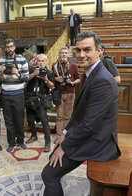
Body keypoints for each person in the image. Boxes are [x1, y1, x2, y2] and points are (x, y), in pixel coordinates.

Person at [41, 31, 121, 196]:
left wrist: (65, 146)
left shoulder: (103, 81)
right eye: (78, 50)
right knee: (52, 159)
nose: (81, 55)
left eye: (87, 50)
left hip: (97, 141)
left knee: (48, 175)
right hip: (88, 133)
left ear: (100, 51)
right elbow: (78, 113)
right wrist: (64, 133)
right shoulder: (91, 73)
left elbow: (89, 125)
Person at [0, 38, 29, 152]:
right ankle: (11, 142)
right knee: (8, 121)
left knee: (19, 120)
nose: (9, 49)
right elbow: (0, 79)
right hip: (6, 94)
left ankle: (20, 141)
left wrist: (17, 73)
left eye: (11, 46)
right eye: (7, 47)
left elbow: (26, 78)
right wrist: (1, 72)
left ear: (14, 47)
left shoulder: (22, 59)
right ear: (5, 48)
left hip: (18, 94)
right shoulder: (1, 60)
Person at [25, 54, 55, 152]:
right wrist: (34, 74)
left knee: (44, 121)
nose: (41, 63)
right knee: (29, 119)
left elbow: (52, 86)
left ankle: (47, 142)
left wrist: (46, 79)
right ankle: (34, 135)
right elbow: (25, 80)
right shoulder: (31, 70)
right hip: (30, 98)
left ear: (46, 61)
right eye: (39, 61)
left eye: (43, 61)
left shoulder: (49, 72)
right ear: (36, 61)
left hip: (41, 99)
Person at [52, 47, 80, 136]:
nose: (64, 54)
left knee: (67, 116)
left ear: (68, 55)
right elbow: (50, 78)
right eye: (62, 53)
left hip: (70, 93)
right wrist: (56, 79)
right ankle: (59, 135)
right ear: (59, 54)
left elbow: (78, 79)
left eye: (65, 53)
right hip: (59, 93)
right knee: (60, 116)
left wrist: (72, 83)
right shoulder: (54, 65)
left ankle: (65, 135)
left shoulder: (73, 65)